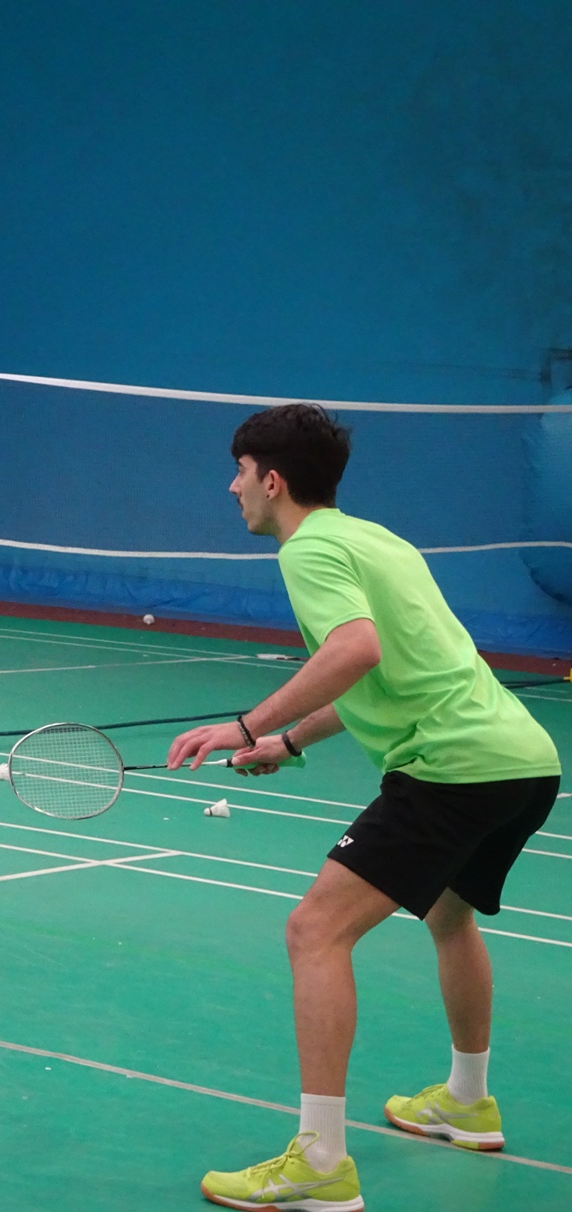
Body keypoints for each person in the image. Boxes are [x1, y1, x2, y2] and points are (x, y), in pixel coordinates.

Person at [166, 403, 560, 1211]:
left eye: (240, 472)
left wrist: (246, 724)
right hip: (523, 761)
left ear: (273, 482)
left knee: (314, 930)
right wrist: (290, 740)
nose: (233, 487)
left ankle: (319, 1162)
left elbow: (355, 650)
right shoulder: (377, 540)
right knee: (450, 915)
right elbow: (386, 668)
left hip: (451, 769)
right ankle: (467, 1101)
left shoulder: (309, 549)